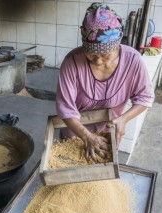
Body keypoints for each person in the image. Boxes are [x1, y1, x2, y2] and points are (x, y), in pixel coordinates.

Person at [56, 2, 154, 161]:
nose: (99, 61)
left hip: (106, 135)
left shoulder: (133, 60)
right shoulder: (72, 62)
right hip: (75, 133)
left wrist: (124, 119)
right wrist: (86, 137)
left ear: (117, 45)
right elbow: (65, 108)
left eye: (106, 55)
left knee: (100, 175)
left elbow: (145, 98)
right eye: (91, 54)